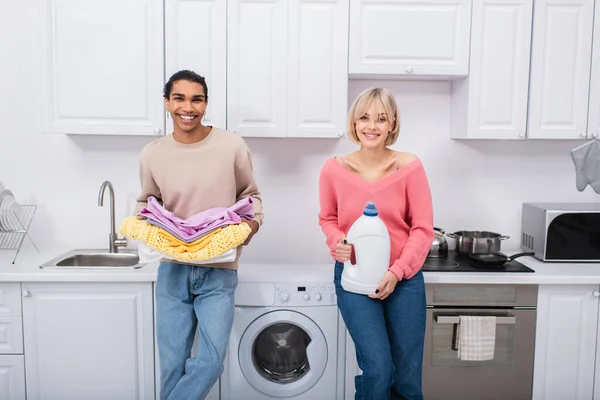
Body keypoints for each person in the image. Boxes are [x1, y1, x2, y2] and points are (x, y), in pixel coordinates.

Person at [134, 70, 264, 400]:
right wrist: (143, 227)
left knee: (209, 362)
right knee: (172, 367)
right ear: (166, 102)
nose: (187, 107)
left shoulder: (231, 145)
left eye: (197, 99)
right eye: (179, 98)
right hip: (173, 269)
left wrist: (250, 226)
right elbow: (146, 202)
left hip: (218, 270)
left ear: (206, 104)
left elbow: (252, 197)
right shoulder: (152, 154)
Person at [318, 87, 434, 400]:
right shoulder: (334, 170)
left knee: (407, 380)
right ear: (354, 123)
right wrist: (337, 241)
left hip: (404, 279)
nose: (372, 125)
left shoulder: (410, 167)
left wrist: (397, 271)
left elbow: (423, 229)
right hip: (355, 277)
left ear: (392, 124)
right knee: (379, 370)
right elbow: (328, 219)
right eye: (365, 117)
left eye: (381, 118)